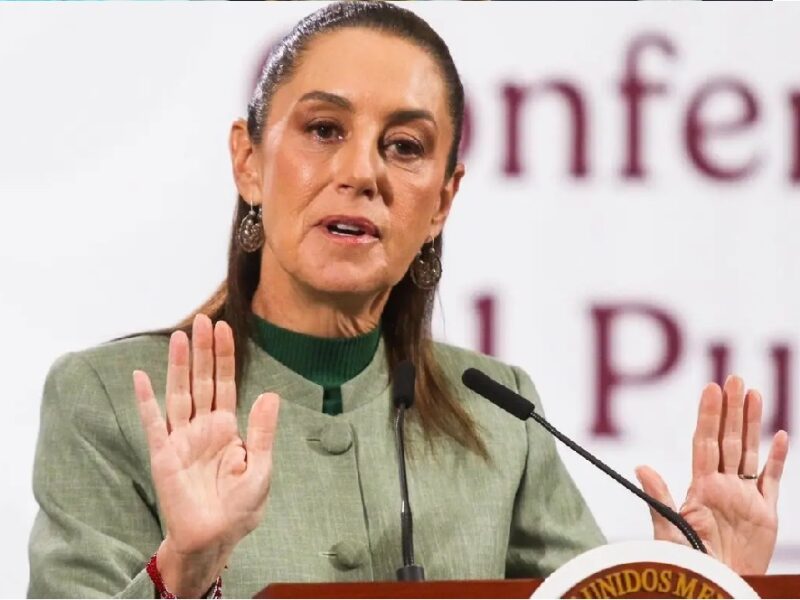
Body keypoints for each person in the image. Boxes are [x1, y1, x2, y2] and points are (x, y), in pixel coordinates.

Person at [27, 2, 789, 598]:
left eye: (405, 147)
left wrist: (706, 586)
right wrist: (185, 569)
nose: (362, 173)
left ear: (442, 203)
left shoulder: (501, 417)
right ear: (249, 161)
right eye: (324, 129)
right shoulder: (110, 400)